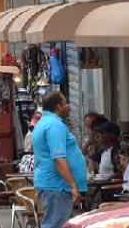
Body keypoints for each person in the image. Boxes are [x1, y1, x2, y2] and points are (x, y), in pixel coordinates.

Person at [32, 92, 87, 228]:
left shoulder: (44, 123)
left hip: (55, 185)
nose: (68, 106)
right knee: (55, 224)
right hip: (58, 186)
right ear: (58, 106)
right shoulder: (54, 125)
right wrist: (73, 186)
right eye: (66, 103)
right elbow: (58, 158)